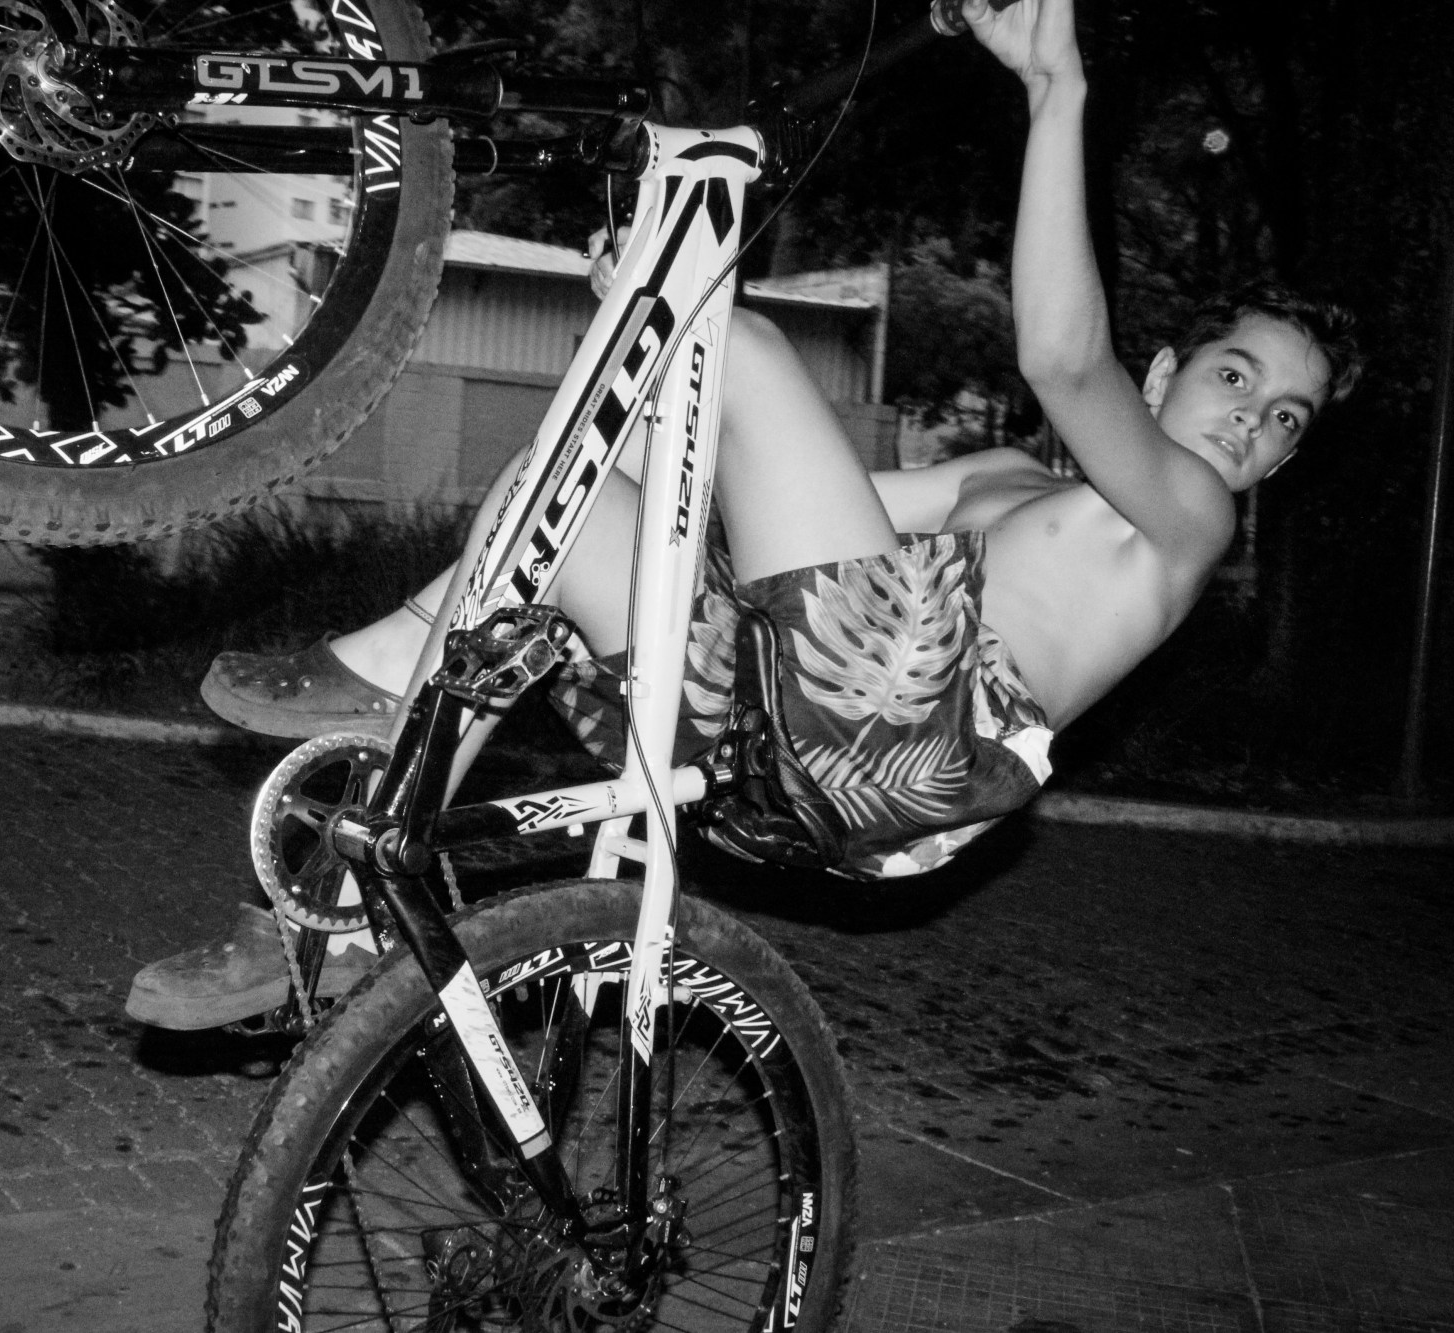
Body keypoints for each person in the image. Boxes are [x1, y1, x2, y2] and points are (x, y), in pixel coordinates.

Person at [126, 0, 1360, 1029]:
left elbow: (1059, 353)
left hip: (899, 743)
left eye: (1286, 419)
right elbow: (746, 510)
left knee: (748, 343)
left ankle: (379, 693)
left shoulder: (1187, 519)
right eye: (1236, 378)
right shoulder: (999, 481)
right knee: (564, 510)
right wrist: (663, 345)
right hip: (777, 755)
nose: (1252, 422)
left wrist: (1055, 92)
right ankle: (335, 911)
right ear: (1167, 376)